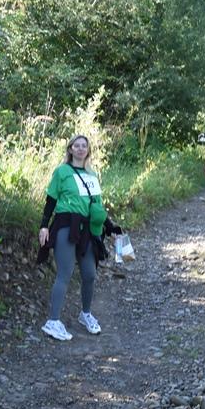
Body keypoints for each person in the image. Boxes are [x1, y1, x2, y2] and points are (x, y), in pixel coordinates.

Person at [37, 135, 121, 340]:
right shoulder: (62, 172)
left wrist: (110, 227)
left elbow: (97, 206)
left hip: (88, 230)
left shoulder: (92, 175)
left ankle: (86, 314)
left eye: (85, 146)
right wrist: (44, 226)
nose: (81, 149)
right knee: (64, 273)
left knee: (90, 274)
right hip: (66, 224)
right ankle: (53, 322)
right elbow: (51, 200)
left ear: (89, 150)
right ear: (71, 149)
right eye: (77, 145)